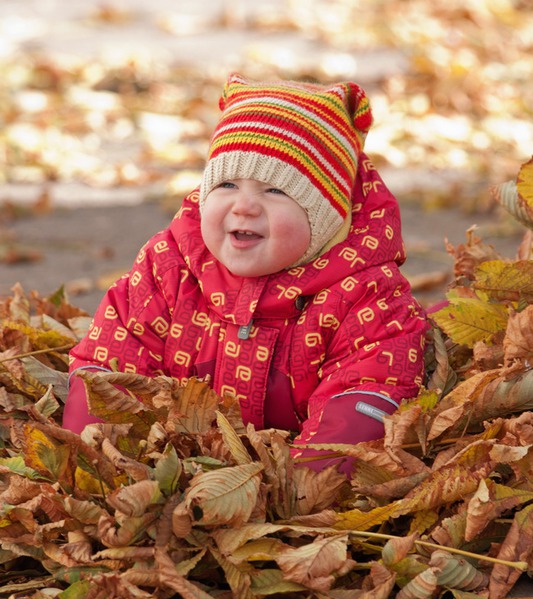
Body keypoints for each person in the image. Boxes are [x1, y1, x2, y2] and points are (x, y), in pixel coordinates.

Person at [63, 73, 428, 474]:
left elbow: (366, 394)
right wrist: (105, 460)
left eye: (275, 192)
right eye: (227, 185)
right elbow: (114, 359)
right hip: (186, 460)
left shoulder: (366, 294)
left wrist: (299, 488)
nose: (244, 207)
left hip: (293, 466)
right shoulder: (169, 266)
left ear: (327, 217)